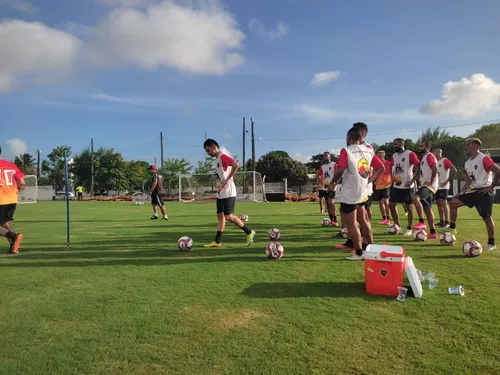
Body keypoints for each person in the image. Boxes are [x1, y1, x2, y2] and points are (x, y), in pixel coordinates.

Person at [327, 127, 384, 261]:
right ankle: (370, 246)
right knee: (363, 219)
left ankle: (359, 253)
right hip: (363, 190)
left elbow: (340, 171)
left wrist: (332, 183)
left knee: (351, 222)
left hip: (350, 191)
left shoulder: (346, 151)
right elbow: (381, 167)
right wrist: (369, 180)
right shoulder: (369, 150)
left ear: (349, 138)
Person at [443, 138, 500, 251]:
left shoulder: (484, 158)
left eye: (467, 145)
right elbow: (469, 180)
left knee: (486, 218)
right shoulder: (468, 162)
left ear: (475, 145)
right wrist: (461, 192)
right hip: (473, 191)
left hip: (484, 191)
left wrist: (491, 187)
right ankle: (452, 228)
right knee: (453, 202)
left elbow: (498, 171)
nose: (466, 147)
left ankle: (491, 244)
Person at [202, 138, 255, 248]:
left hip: (229, 192)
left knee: (229, 217)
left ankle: (250, 232)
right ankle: (217, 242)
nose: (208, 153)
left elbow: (236, 165)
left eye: (208, 150)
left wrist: (227, 179)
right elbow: (222, 175)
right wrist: (220, 186)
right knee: (220, 216)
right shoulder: (217, 159)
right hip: (222, 192)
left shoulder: (222, 156)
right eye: (206, 151)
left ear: (214, 147)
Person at [388, 138, 420, 236]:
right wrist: (391, 175)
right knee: (391, 204)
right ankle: (397, 226)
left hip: (407, 186)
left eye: (395, 144)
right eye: (393, 144)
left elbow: (419, 167)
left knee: (409, 207)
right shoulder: (394, 155)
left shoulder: (410, 154)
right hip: (397, 185)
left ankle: (409, 228)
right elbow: (390, 166)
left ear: (402, 143)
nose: (394, 146)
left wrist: (412, 180)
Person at [410, 140, 438, 239]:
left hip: (429, 186)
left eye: (421, 146)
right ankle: (433, 232)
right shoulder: (423, 158)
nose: (419, 147)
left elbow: (435, 169)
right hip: (425, 186)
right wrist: (413, 180)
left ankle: (421, 222)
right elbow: (420, 172)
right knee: (427, 209)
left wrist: (430, 182)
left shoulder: (429, 156)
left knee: (414, 197)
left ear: (427, 147)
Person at [0, 146, 25, 254]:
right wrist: (16, 191)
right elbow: (22, 182)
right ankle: (14, 248)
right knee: (5, 224)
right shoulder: (10, 165)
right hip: (12, 198)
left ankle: (13, 236)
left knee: (4, 225)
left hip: (1, 199)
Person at [432, 148, 457, 227]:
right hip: (436, 186)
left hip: (444, 186)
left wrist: (446, 181)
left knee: (443, 203)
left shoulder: (444, 160)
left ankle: (447, 221)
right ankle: (441, 220)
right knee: (438, 203)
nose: (432, 153)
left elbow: (454, 170)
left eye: (434, 151)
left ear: (439, 152)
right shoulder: (434, 162)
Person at [316, 151, 339, 226]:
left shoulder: (334, 165)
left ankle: (335, 220)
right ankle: (332, 220)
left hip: (331, 187)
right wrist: (318, 185)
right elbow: (319, 176)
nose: (325, 157)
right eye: (324, 156)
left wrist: (335, 184)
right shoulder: (322, 167)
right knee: (328, 205)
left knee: (331, 202)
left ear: (330, 156)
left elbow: (338, 175)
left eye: (326, 155)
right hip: (324, 187)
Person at [373, 150, 392, 225]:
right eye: (378, 155)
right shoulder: (376, 165)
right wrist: (374, 180)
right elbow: (374, 173)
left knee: (385, 201)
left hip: (386, 185)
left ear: (384, 155)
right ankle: (384, 218)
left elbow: (391, 172)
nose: (379, 157)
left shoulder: (388, 163)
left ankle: (388, 218)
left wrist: (391, 181)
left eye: (380, 155)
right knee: (380, 202)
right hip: (378, 186)